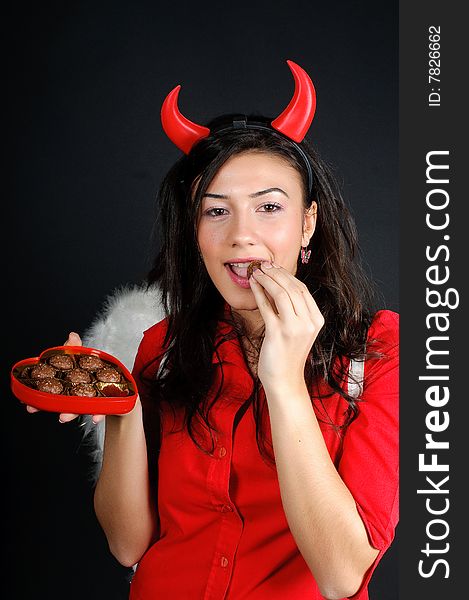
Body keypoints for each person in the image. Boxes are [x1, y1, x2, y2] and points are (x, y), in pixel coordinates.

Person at [26, 60, 398, 599]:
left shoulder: (380, 351)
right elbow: (128, 545)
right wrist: (122, 410)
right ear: (194, 234)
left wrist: (285, 379)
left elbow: (342, 576)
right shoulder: (164, 346)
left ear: (308, 224)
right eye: (215, 211)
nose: (241, 235)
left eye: (269, 207)